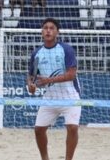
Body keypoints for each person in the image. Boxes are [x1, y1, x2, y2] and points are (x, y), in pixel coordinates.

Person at [27, 18, 81, 160]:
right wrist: (31, 86)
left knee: (72, 128)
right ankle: (45, 158)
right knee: (38, 130)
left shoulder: (66, 49)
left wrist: (49, 80)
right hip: (50, 97)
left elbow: (71, 74)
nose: (48, 30)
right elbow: (31, 76)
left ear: (57, 32)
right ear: (42, 32)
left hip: (69, 96)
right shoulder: (37, 53)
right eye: (45, 28)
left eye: (51, 28)